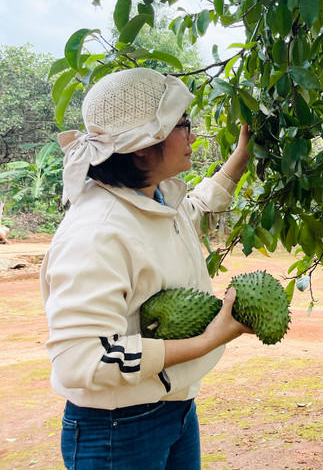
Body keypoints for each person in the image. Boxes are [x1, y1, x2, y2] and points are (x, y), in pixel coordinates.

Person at [41, 67, 254, 469]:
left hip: (172, 410)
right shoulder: (97, 234)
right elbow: (80, 359)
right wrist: (207, 340)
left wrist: (240, 160)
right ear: (143, 145)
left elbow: (191, 215)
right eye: (182, 124)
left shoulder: (151, 201)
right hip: (116, 430)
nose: (193, 135)